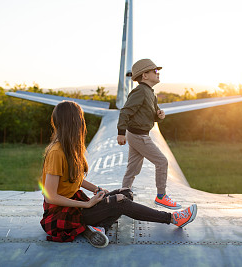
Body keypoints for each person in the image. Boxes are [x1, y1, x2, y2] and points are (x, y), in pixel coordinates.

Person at [40, 101, 197, 248]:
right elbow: (50, 197)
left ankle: (93, 227)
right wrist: (87, 204)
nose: (83, 122)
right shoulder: (56, 152)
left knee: (125, 193)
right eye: (81, 118)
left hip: (74, 205)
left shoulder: (70, 148)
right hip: (61, 214)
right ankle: (172, 218)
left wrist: (97, 189)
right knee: (119, 202)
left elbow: (74, 178)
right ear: (74, 122)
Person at [117, 59, 181, 210]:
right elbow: (126, 111)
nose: (158, 74)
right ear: (145, 75)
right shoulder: (140, 91)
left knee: (132, 168)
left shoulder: (150, 93)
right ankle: (161, 196)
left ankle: (123, 195)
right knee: (162, 162)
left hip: (138, 134)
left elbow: (151, 116)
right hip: (138, 136)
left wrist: (159, 116)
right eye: (155, 71)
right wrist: (121, 133)